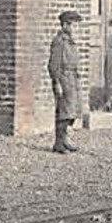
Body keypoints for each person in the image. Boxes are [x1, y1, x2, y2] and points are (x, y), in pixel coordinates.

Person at [47, 10, 84, 154]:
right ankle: (60, 142)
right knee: (64, 111)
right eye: (73, 25)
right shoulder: (59, 42)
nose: (76, 29)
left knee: (72, 110)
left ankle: (64, 140)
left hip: (72, 78)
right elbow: (53, 64)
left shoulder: (70, 41)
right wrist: (57, 82)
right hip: (63, 78)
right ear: (64, 25)